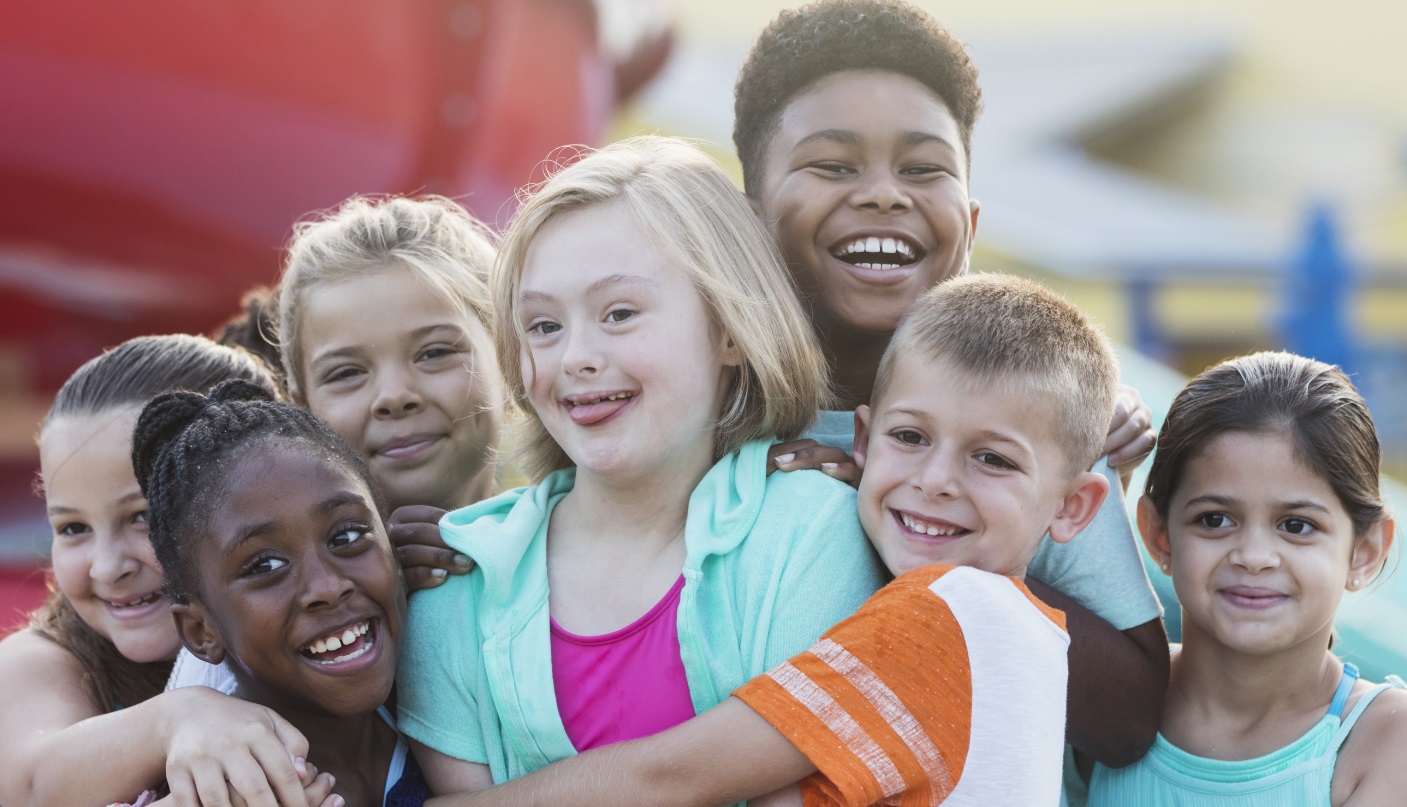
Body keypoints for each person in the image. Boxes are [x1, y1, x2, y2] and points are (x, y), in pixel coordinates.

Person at [416, 272, 1120, 807]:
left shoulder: (946, 614)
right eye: (910, 438)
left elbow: (667, 774)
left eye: (991, 458)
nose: (936, 480)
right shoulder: (1031, 635)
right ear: (864, 441)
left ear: (1073, 506)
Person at [732, 0, 1167, 768]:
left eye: (921, 168)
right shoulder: (706, 415)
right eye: (833, 164)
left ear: (966, 225)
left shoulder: (1040, 424)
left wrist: (956, 547)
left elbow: (1130, 711)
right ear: (746, 219)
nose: (882, 196)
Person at [395, 135, 888, 795]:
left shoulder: (807, 534)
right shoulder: (459, 582)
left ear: (730, 330)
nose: (574, 356)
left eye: (618, 313)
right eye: (542, 326)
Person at [0, 335, 334, 807]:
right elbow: (32, 786)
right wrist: (179, 717)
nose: (108, 566)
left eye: (142, 517)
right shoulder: (39, 661)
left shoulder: (335, 615)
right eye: (73, 527)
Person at [1087, 352, 1407, 805]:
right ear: (1160, 536)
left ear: (1365, 551)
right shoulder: (1094, 702)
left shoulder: (1386, 739)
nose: (1254, 557)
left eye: (1296, 525)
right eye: (1215, 519)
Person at [132, 380, 430, 807]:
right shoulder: (205, 796)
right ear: (200, 630)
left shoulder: (457, 696)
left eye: (346, 536)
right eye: (266, 566)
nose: (328, 587)